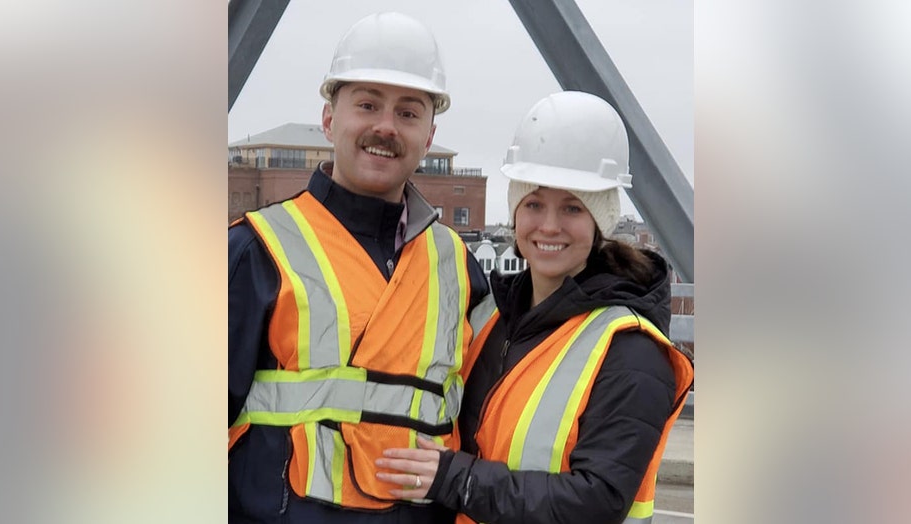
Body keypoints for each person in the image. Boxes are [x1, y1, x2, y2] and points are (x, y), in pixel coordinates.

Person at [374, 91, 694, 524]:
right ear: (515, 214)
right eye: (534, 204)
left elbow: (597, 500)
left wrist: (459, 480)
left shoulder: (630, 352)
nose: (549, 225)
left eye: (572, 208)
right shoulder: (490, 318)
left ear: (600, 221)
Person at [228, 12, 490, 524]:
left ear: (430, 135)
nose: (385, 127)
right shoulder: (254, 250)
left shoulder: (458, 265)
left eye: (408, 113)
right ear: (329, 119)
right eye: (367, 104)